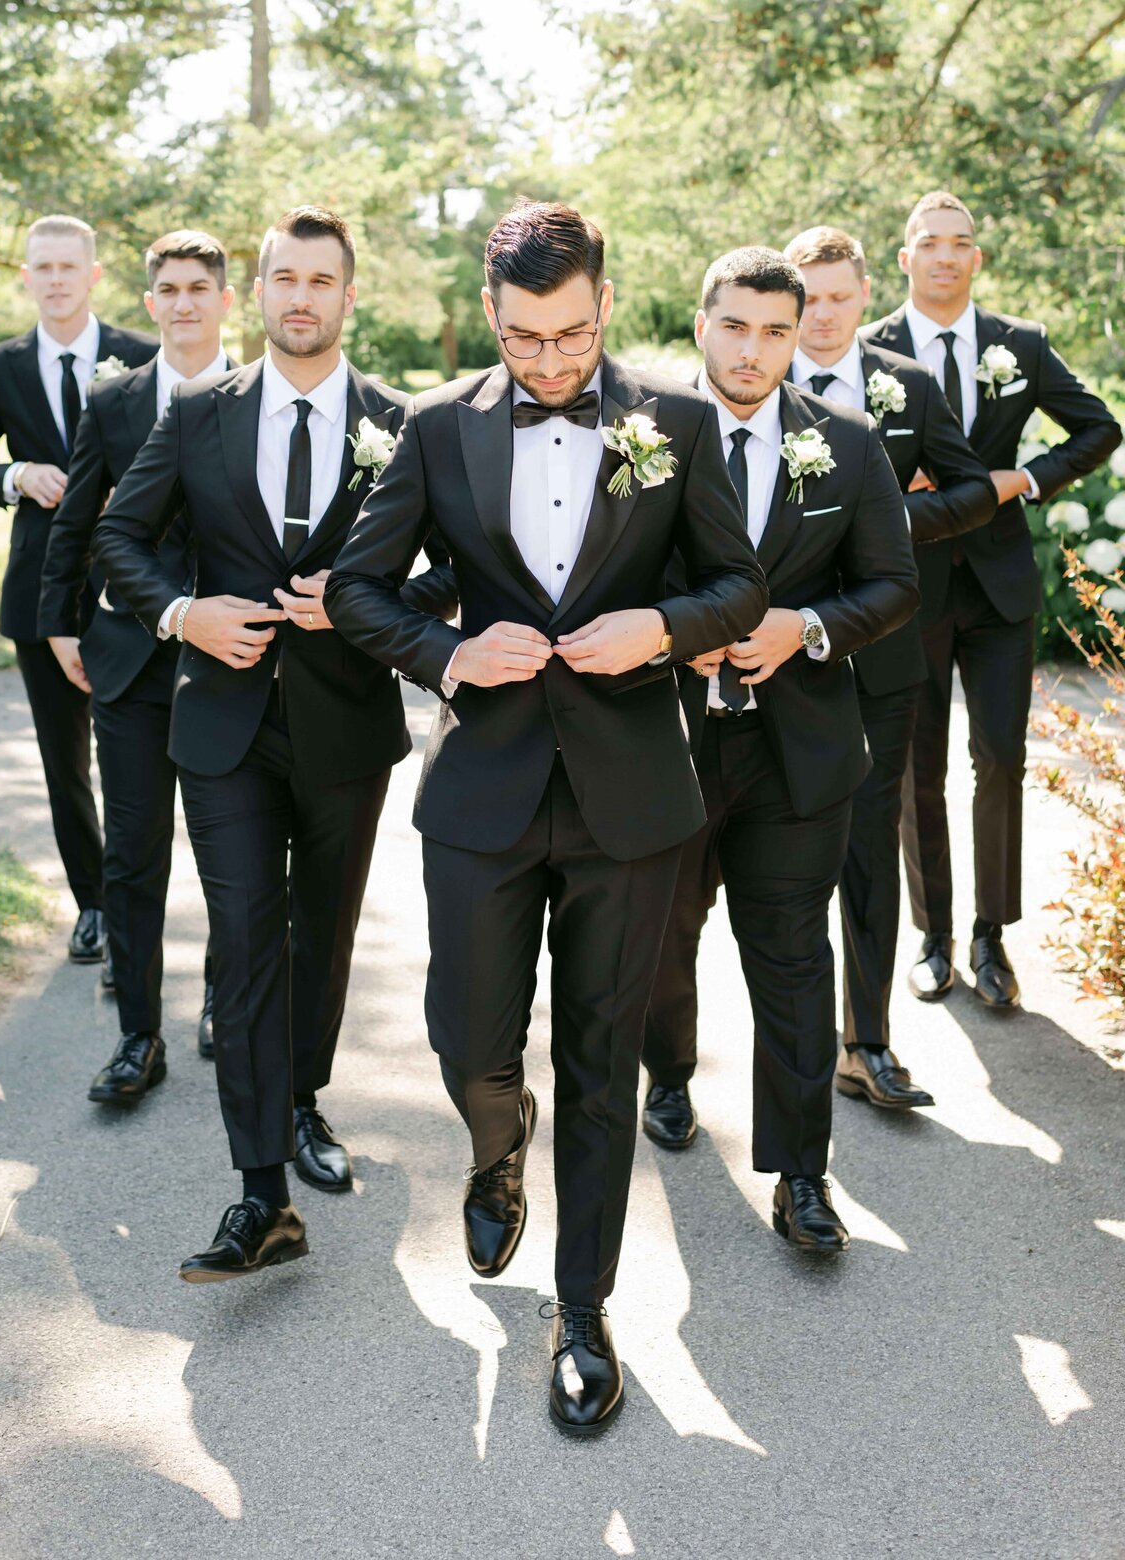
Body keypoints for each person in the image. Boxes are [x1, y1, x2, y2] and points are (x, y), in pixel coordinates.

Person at [326, 200, 767, 1435]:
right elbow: (361, 592)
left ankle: (582, 1311)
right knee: (468, 1031)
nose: (552, 362)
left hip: (632, 799)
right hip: (483, 792)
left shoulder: (674, 423)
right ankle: (493, 1133)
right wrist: (452, 653)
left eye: (571, 337)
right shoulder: (432, 428)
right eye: (526, 340)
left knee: (601, 1054)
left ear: (606, 305)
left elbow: (743, 585)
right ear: (492, 318)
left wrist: (668, 628)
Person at [94, 205, 455, 1283]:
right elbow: (120, 535)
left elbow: (459, 571)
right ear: (259, 293)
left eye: (320, 280)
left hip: (346, 725)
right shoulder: (200, 415)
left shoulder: (406, 423)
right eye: (283, 279)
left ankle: (303, 1103)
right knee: (246, 937)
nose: (300, 297)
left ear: (351, 296)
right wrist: (182, 614)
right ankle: (260, 1191)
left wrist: (366, 614)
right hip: (224, 723)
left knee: (321, 934)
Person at [640, 247, 918, 1254]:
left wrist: (802, 628)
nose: (752, 350)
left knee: (795, 960)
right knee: (664, 938)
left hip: (796, 753)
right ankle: (667, 1074)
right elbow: (597, 574)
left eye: (774, 330)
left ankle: (803, 1175)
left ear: (798, 335)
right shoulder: (643, 437)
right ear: (701, 324)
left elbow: (892, 586)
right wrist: (680, 625)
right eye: (735, 326)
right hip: (664, 746)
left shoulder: (845, 447)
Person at [863, 192, 1119, 1009]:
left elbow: (1098, 426)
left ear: (977, 259)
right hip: (907, 585)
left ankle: (990, 935)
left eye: (961, 243)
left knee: (1000, 759)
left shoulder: (1021, 344)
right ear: (905, 259)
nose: (945, 255)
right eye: (929, 242)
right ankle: (933, 936)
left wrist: (1026, 479)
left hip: (1001, 584)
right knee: (917, 769)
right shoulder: (869, 351)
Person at [781, 224, 997, 1111]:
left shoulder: (904, 386)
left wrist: (889, 523)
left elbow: (974, 489)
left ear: (868, 296)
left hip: (879, 663)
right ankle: (687, 1062)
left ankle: (865, 1045)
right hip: (771, 663)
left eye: (839, 297)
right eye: (810, 298)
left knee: (870, 857)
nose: (823, 316)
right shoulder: (747, 382)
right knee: (761, 870)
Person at [39, 229, 234, 1104]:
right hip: (125, 658)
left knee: (238, 853)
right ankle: (136, 1038)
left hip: (231, 661)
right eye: (169, 288)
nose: (184, 301)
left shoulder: (258, 396)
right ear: (149, 302)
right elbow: (77, 519)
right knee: (132, 856)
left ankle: (225, 1008)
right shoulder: (113, 404)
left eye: (200, 287)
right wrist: (59, 624)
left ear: (226, 299)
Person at [0, 215, 156, 963]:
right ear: (27, 276)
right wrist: (16, 476)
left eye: (71, 267)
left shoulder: (141, 354)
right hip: (40, 591)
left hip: (135, 590)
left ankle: (145, 905)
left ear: (94, 275)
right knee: (64, 761)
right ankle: (94, 904)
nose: (57, 279)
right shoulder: (1, 366)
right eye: (43, 267)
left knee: (143, 758)